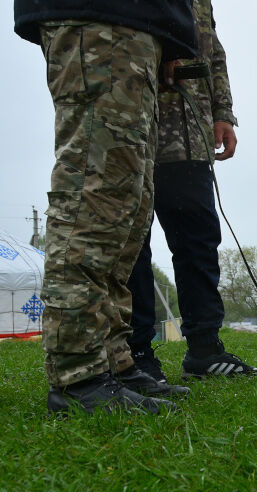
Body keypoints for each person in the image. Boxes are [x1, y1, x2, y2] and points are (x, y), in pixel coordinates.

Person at [14, 1, 197, 414]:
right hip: (101, 17)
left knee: (127, 211)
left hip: (135, 26)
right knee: (95, 197)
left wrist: (168, 40)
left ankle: (112, 360)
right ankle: (78, 375)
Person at [125, 0, 257, 381]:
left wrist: (223, 112)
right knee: (132, 242)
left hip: (191, 134)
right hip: (134, 122)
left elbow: (214, 54)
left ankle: (204, 349)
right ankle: (136, 353)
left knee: (199, 241)